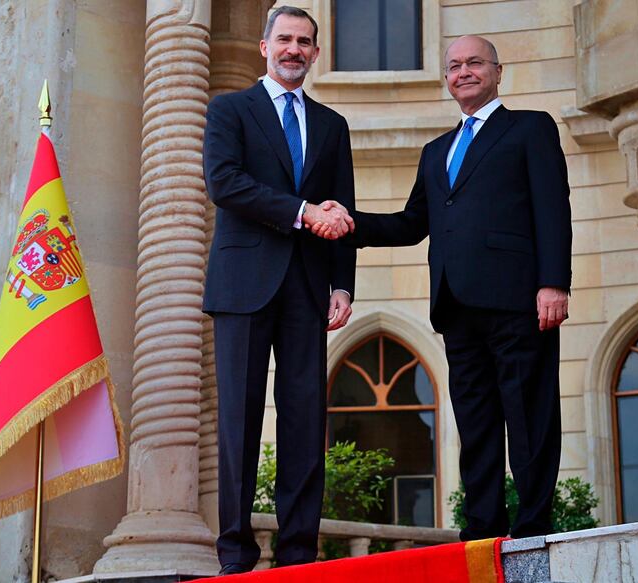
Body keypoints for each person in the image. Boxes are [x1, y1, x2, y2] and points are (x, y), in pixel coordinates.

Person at [318, 35, 571, 540]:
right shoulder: (437, 152)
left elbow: (552, 207)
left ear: (499, 71)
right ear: (447, 79)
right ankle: (482, 530)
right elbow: (413, 223)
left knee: (528, 416)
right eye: (454, 66)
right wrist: (351, 223)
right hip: (457, 308)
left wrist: (554, 283)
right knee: (475, 424)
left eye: (474, 63)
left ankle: (533, 526)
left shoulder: (530, 128)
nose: (463, 72)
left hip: (519, 301)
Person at [202, 6, 356, 575]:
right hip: (243, 284)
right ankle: (236, 556)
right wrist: (300, 211)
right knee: (239, 423)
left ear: (315, 53)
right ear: (264, 47)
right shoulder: (229, 110)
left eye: (305, 42)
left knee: (303, 420)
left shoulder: (332, 125)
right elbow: (225, 183)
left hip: (309, 290)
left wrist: (343, 283)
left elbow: (341, 208)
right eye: (285, 39)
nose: (294, 49)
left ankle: (297, 555)